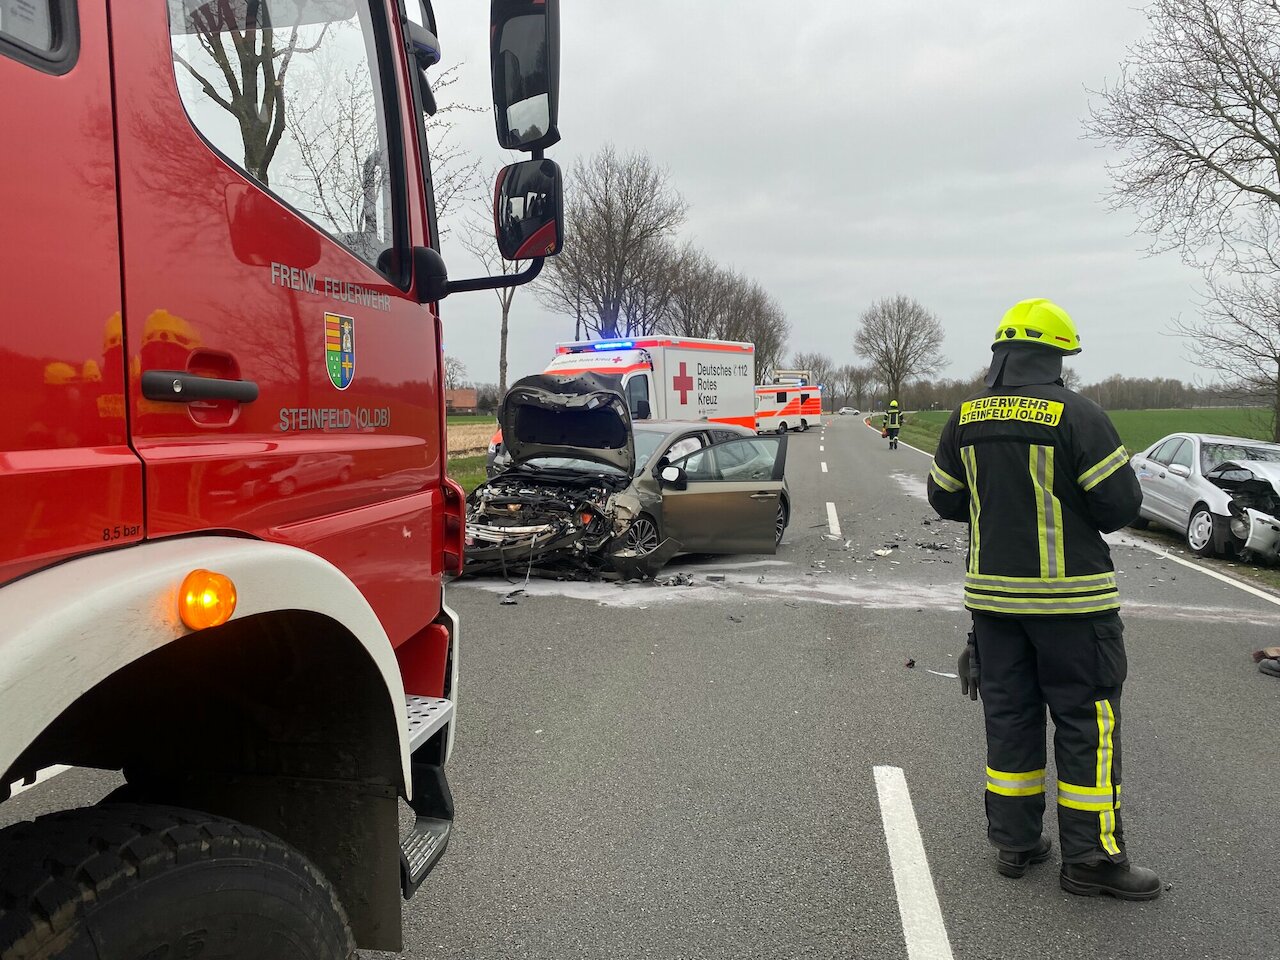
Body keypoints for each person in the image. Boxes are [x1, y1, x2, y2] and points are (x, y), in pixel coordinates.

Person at [926, 298, 1161, 900]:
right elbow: (1120, 507)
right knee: (1086, 724)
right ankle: (1091, 860)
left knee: (1010, 719)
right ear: (1056, 357)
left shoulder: (964, 419)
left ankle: (1016, 842)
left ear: (1001, 354)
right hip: (1073, 608)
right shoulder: (1078, 415)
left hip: (995, 607)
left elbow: (946, 499)